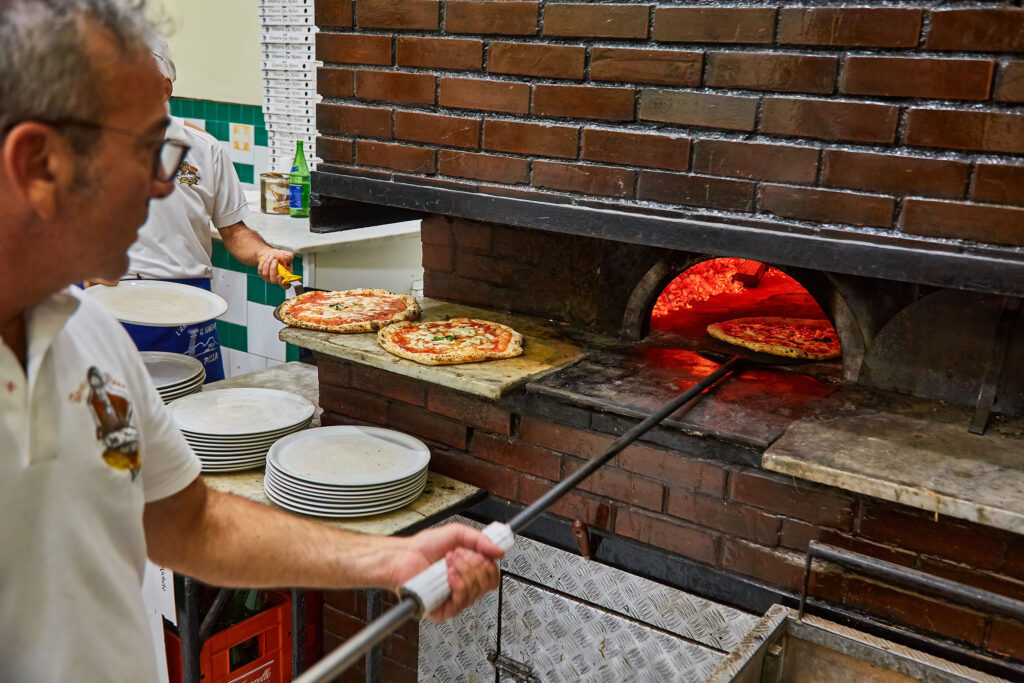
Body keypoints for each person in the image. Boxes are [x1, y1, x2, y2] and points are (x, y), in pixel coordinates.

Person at [0, 1, 502, 680]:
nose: (163, 181)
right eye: (147, 150)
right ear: (38, 163)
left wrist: (388, 559)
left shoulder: (89, 336)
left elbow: (190, 523)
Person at [85, 35, 293, 382]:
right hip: (107, 306)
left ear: (164, 88)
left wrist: (264, 253)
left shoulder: (205, 150)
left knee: (198, 409)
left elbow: (235, 232)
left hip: (186, 310)